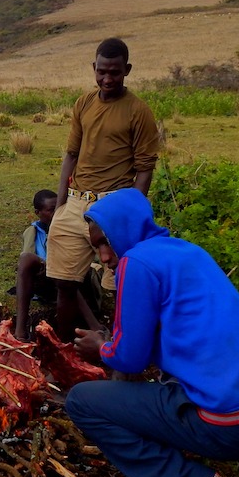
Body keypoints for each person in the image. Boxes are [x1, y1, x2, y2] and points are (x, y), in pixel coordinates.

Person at [65, 188, 239, 477]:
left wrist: (101, 347)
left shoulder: (137, 262)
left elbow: (129, 359)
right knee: (196, 371)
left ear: (124, 231)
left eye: (105, 243)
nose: (105, 257)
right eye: (96, 248)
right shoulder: (188, 252)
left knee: (82, 401)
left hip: (233, 425)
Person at [47, 37, 163, 340]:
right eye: (101, 72)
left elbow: (145, 168)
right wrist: (61, 205)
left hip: (113, 206)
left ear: (127, 69)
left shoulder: (139, 111)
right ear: (93, 68)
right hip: (76, 201)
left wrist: (131, 215)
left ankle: (118, 352)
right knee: (64, 281)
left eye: (114, 72)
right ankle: (64, 350)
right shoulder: (84, 103)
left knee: (119, 285)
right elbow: (71, 153)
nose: (107, 79)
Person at [13, 189, 101, 341]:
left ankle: (90, 328)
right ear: (38, 212)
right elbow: (27, 260)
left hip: (78, 279)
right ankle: (20, 332)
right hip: (47, 278)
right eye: (50, 210)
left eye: (59, 208)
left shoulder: (75, 226)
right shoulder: (32, 232)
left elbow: (96, 261)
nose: (55, 213)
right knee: (26, 258)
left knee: (64, 271)